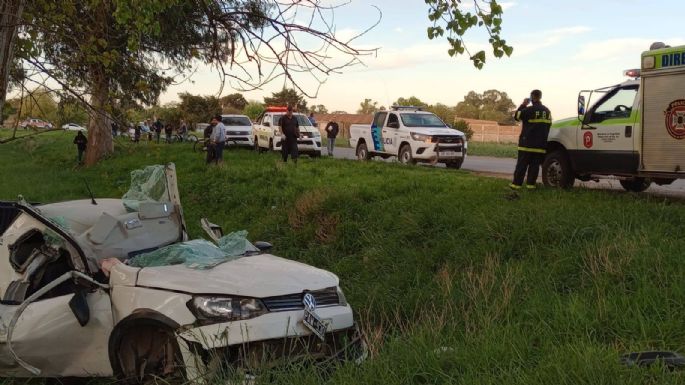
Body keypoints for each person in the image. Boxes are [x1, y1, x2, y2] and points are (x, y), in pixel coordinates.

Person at [510, 89, 552, 190]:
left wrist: (524, 104)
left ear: (532, 97)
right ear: (540, 97)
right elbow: (549, 125)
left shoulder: (529, 110)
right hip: (540, 145)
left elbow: (516, 116)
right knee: (535, 166)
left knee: (522, 165)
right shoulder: (547, 111)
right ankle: (530, 186)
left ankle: (516, 185)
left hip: (526, 144)